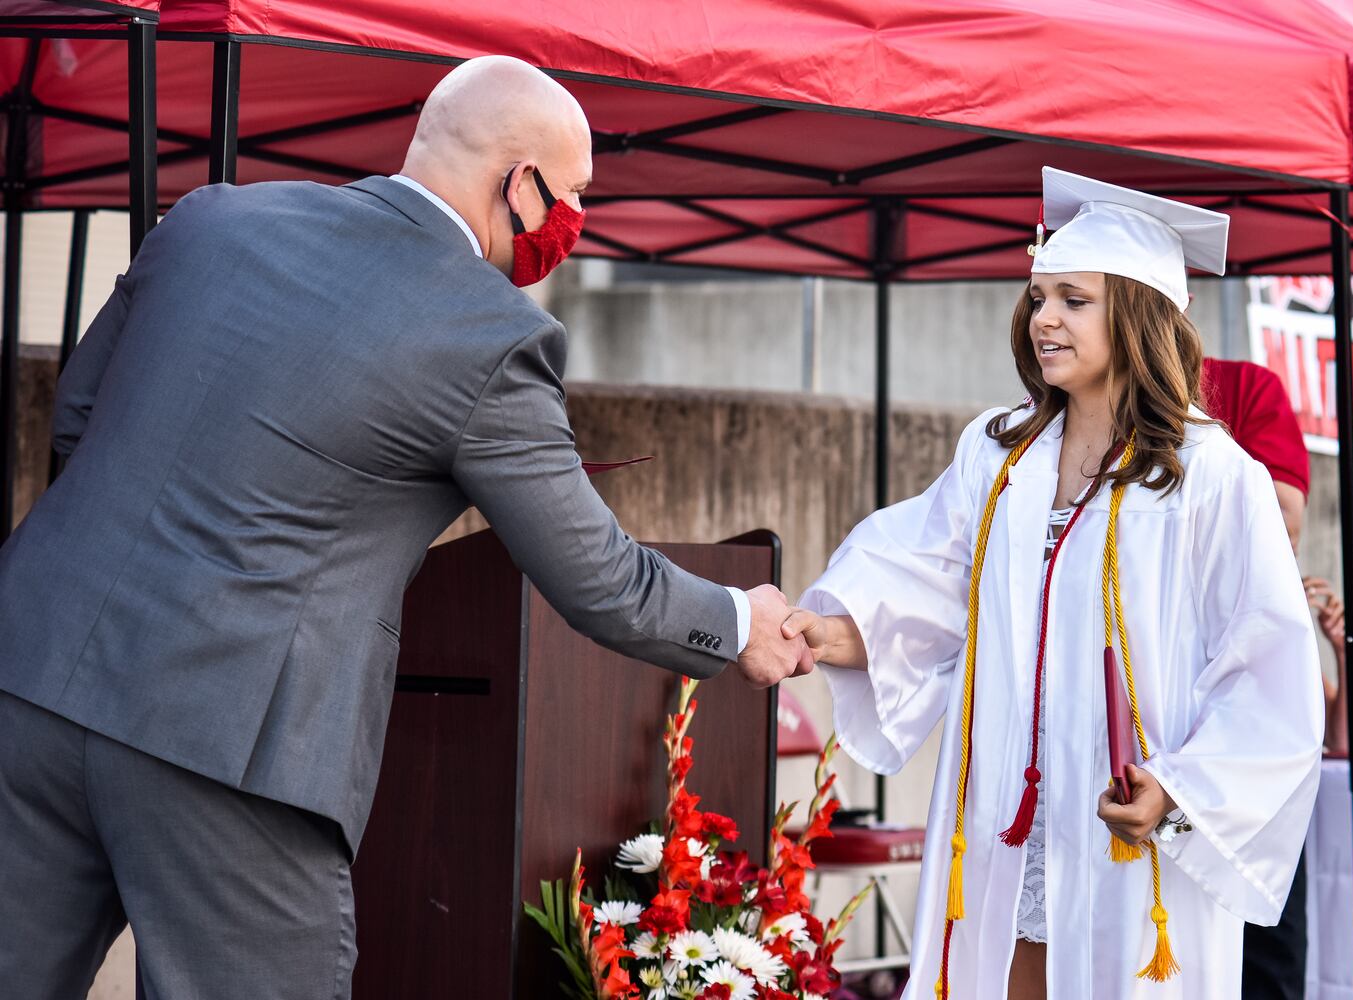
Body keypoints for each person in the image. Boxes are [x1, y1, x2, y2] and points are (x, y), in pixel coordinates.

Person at [0, 56, 810, 998]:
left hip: (33, 670)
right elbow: (598, 578)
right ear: (521, 185)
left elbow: (79, 421)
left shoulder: (211, 219)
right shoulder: (486, 334)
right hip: (230, 745)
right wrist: (741, 623)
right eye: (574, 197)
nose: (573, 224)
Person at [783, 168, 1323, 999]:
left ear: (1138, 315)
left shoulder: (1213, 475)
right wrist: (844, 629)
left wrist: (1177, 790)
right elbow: (932, 579)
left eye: (1074, 299)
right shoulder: (998, 453)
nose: (1044, 321)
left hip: (1120, 819)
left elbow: (1268, 664)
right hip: (1002, 807)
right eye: (1038, 298)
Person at [1200, 357, 1353, 999]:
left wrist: (1342, 652)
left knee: (1265, 959)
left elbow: (1339, 742)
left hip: (1250, 784)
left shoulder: (1243, 388)